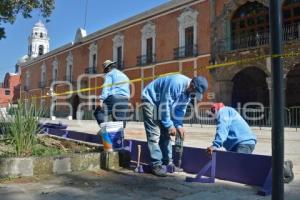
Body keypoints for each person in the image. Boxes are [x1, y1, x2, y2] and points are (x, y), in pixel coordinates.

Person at [142, 74, 208, 177]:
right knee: (154, 134)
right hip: (151, 99)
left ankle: (167, 163)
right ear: (192, 86)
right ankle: (156, 165)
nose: (194, 94)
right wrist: (169, 125)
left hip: (161, 104)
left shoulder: (188, 92)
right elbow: (165, 105)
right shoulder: (176, 83)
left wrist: (179, 125)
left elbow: (180, 109)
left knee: (166, 134)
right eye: (195, 92)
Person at [93, 60, 130, 127]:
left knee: (98, 112)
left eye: (105, 70)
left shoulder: (110, 74)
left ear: (108, 68)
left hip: (114, 98)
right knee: (119, 122)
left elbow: (107, 87)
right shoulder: (124, 75)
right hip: (125, 99)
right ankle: (119, 136)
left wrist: (102, 99)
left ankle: (106, 131)